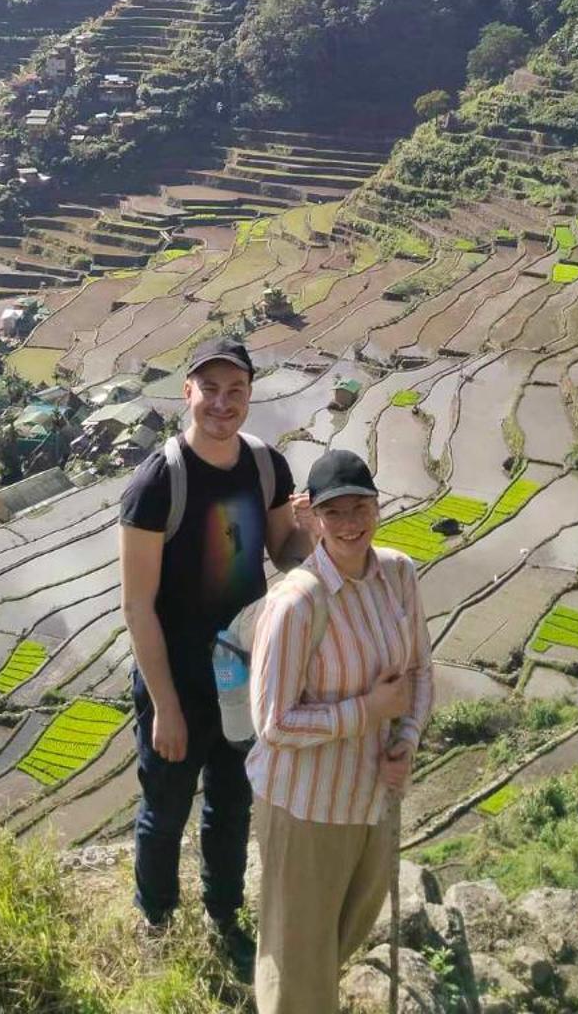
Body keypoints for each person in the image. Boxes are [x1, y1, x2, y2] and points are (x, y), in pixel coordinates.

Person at [118, 336, 308, 973]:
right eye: (211, 390)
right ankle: (156, 924)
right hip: (175, 679)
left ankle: (224, 916)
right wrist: (165, 707)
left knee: (232, 804)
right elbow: (138, 606)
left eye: (236, 391)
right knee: (165, 809)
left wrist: (317, 533)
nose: (222, 404)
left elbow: (283, 551)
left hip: (243, 677)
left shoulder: (265, 467)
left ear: (249, 396)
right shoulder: (157, 483)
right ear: (188, 392)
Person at [247, 448, 434, 1014]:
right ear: (315, 519)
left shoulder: (398, 573)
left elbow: (420, 671)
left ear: (377, 507)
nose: (350, 523)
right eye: (335, 513)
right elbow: (273, 723)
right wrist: (368, 711)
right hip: (307, 808)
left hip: (373, 797)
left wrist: (405, 742)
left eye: (361, 507)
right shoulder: (297, 603)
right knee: (298, 965)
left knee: (339, 943)